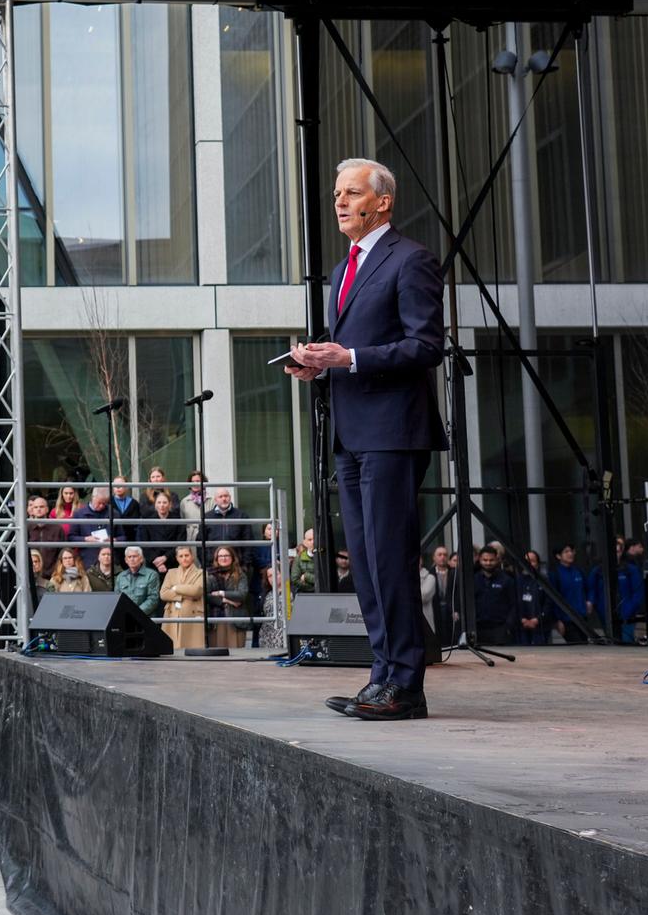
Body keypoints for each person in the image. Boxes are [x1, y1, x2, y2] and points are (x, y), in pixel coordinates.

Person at [287, 157, 447, 721]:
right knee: (367, 562)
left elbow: (426, 346)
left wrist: (349, 357)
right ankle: (382, 677)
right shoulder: (342, 270)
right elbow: (350, 345)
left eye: (351, 192)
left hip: (392, 433)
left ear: (382, 202)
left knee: (389, 558)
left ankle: (406, 686)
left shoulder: (412, 260)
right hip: (351, 434)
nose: (339, 201)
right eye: (336, 192)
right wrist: (319, 363)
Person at [158, 547, 205, 649]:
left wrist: (175, 588)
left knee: (192, 649)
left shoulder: (201, 573)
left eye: (187, 555)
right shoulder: (171, 572)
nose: (184, 558)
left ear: (192, 556)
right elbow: (163, 594)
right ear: (177, 558)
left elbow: (196, 591)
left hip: (192, 613)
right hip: (172, 614)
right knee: (172, 649)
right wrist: (184, 593)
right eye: (181, 556)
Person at [469, 547, 518, 646]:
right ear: (479, 559)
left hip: (500, 628)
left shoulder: (507, 580)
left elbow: (514, 604)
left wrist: (508, 625)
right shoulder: (473, 580)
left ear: (497, 560)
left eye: (491, 560)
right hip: (478, 628)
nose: (488, 563)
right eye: (485, 560)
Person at [548, 544, 591, 645]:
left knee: (585, 645)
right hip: (566, 619)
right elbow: (553, 599)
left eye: (571, 551)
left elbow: (588, 588)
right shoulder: (555, 574)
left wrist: (589, 601)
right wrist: (558, 620)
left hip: (582, 617)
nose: (570, 554)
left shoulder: (579, 571)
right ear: (558, 556)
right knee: (577, 645)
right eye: (566, 552)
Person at [205, 547, 248, 648]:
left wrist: (221, 593)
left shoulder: (240, 574)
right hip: (216, 620)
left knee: (237, 653)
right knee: (217, 655)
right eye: (220, 556)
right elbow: (205, 596)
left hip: (235, 620)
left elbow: (242, 595)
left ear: (232, 558)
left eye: (226, 555)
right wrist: (225, 600)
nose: (223, 558)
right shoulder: (210, 575)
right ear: (216, 558)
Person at [115, 546, 161, 622]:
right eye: (129, 557)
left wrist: (136, 613)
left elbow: (153, 599)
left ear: (141, 559)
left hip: (146, 618)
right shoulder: (121, 577)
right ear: (126, 560)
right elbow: (117, 599)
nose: (132, 559)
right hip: (125, 619)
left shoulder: (152, 575)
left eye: (135, 556)